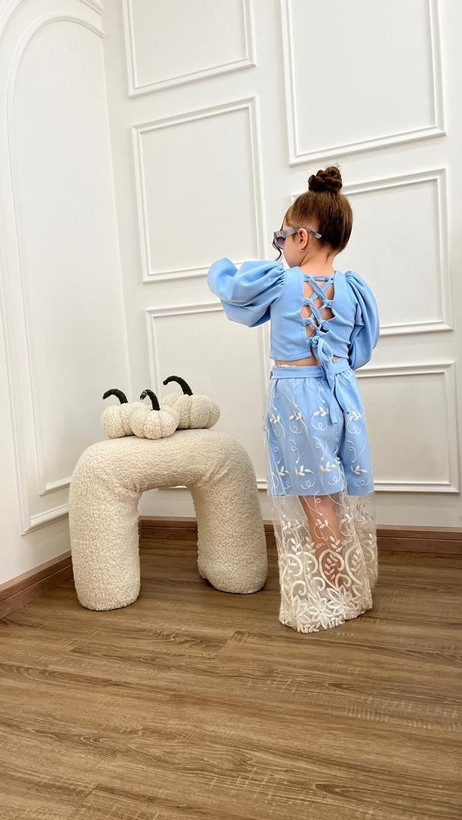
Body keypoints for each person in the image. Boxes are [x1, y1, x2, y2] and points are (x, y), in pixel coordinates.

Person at [207, 165, 380, 633]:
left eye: (281, 237)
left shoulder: (282, 283)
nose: (279, 246)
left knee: (314, 500)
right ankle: (350, 578)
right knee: (333, 494)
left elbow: (234, 292)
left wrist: (219, 268)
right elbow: (360, 350)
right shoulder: (353, 289)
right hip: (340, 397)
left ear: (301, 238)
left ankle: (338, 590)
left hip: (297, 400)